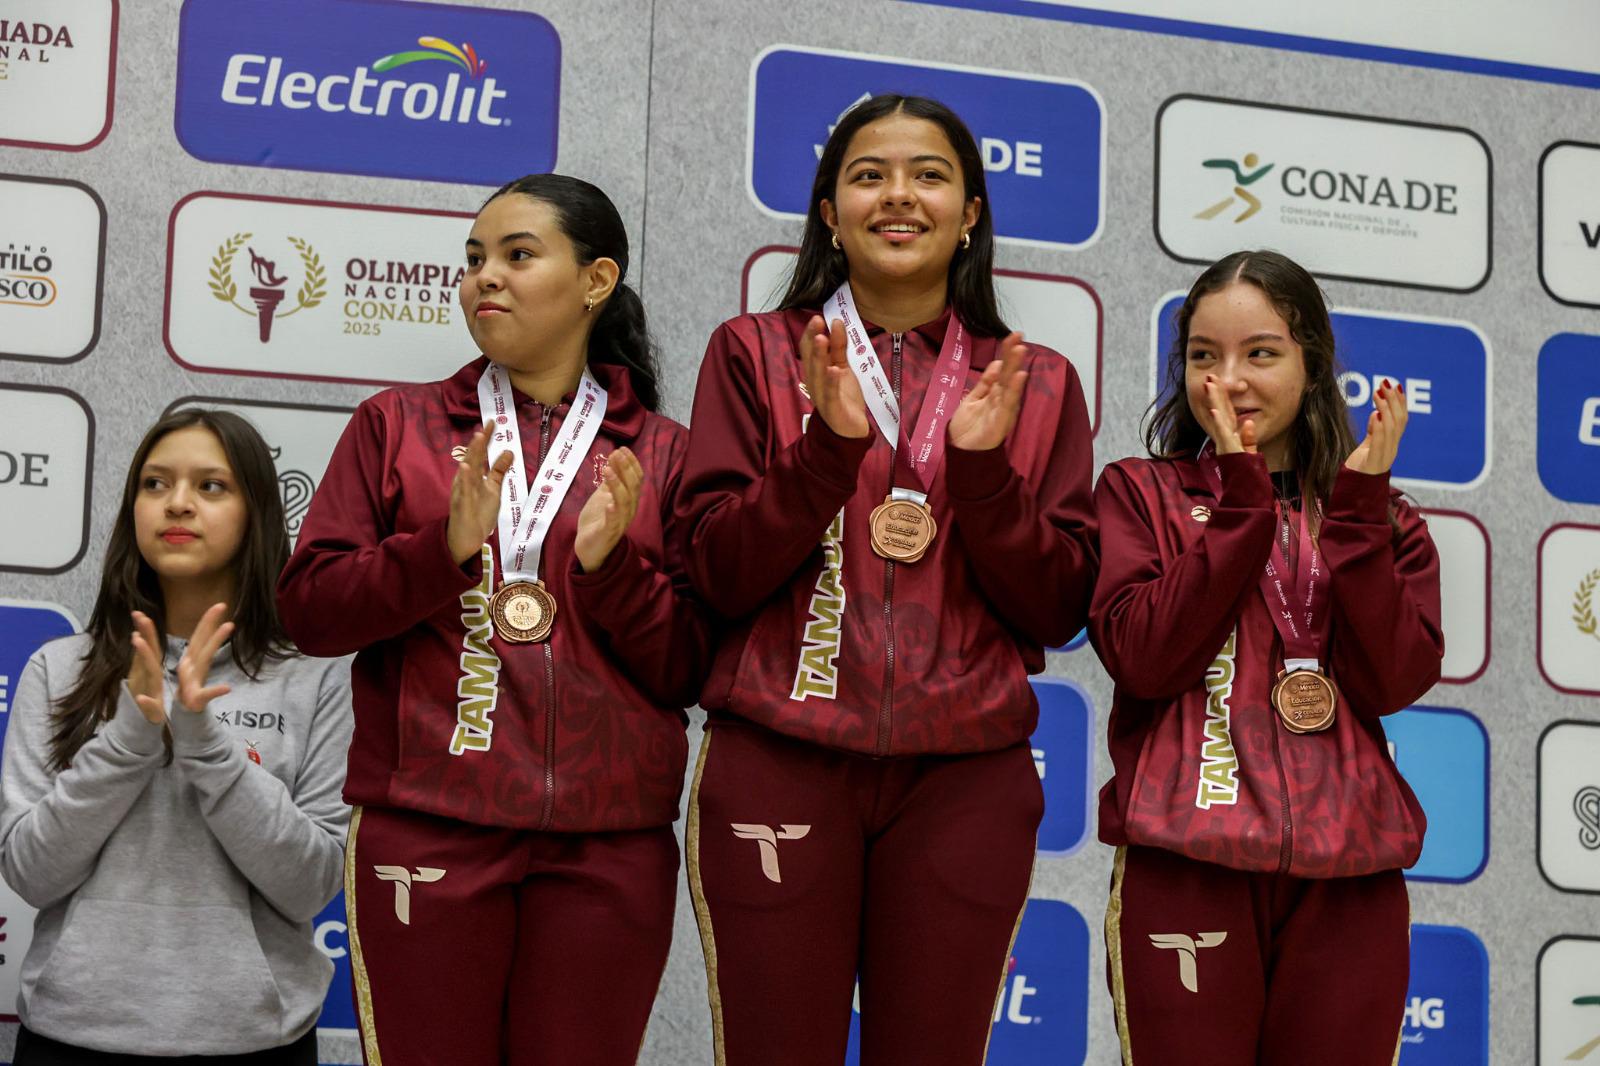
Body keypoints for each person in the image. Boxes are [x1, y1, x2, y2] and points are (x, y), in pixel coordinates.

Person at [676, 94, 1097, 1065]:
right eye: (869, 176)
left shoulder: (1033, 381)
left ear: (971, 212)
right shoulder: (755, 352)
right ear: (830, 212)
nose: (898, 196)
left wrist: (984, 477)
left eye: (929, 175)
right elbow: (715, 573)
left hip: (965, 778)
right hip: (779, 754)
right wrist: (823, 455)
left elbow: (1057, 606)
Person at [276, 173, 711, 1065]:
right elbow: (310, 613)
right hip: (428, 826)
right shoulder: (396, 425)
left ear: (596, 280)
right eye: (475, 259)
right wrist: (439, 550)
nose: (486, 278)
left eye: (518, 255)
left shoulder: (663, 456)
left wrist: (613, 571)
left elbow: (689, 671)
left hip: (608, 846)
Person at [1092, 249, 1441, 1065]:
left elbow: (1393, 680)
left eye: (1260, 353)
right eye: (1203, 356)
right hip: (1187, 860)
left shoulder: (1381, 518)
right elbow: (1144, 659)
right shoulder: (1141, 495)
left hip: (1349, 877)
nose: (1229, 381)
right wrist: (1242, 501)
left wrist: (1358, 523)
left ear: (1312, 365)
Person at [0, 409, 352, 1064]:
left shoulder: (316, 678)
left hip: (255, 1044)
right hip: (72, 1037)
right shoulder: (59, 669)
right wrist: (132, 737)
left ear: (256, 512)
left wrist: (205, 745)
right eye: (155, 483)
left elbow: (312, 886)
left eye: (211, 486)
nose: (178, 503)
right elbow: (30, 873)